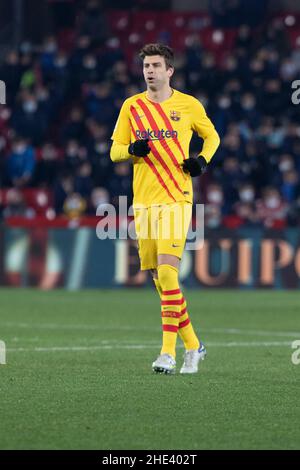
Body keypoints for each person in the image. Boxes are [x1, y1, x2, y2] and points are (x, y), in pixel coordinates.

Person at [110, 43, 220, 374]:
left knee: (169, 273)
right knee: (160, 281)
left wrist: (202, 161)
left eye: (156, 65)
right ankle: (194, 346)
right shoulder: (131, 107)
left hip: (176, 198)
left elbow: (212, 137)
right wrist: (132, 149)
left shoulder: (188, 105)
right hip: (143, 203)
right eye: (146, 65)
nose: (150, 70)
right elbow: (114, 151)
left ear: (169, 70)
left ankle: (167, 353)